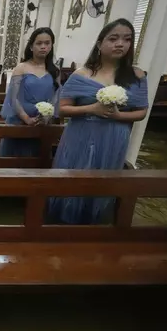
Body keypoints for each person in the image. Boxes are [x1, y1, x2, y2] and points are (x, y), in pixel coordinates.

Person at [47, 19, 148, 225]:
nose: (120, 44)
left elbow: (142, 112)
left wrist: (118, 116)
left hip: (114, 136)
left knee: (105, 179)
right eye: (113, 38)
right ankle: (63, 224)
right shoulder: (82, 74)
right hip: (81, 135)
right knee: (75, 177)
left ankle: (95, 225)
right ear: (100, 43)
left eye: (127, 39)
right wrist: (92, 108)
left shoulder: (136, 75)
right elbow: (62, 109)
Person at [0, 27, 59, 157]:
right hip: (19, 121)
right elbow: (13, 97)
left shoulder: (54, 71)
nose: (43, 47)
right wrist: (26, 118)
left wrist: (47, 116)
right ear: (31, 47)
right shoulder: (22, 68)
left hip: (42, 123)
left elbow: (55, 97)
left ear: (51, 46)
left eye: (47, 43)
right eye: (39, 43)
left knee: (37, 162)